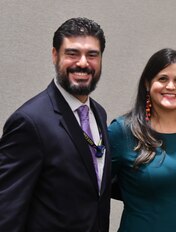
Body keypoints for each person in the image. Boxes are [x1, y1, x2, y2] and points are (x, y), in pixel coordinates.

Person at [0, 17, 110, 232]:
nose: (83, 63)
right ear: (54, 55)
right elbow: (7, 210)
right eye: (72, 53)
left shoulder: (99, 113)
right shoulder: (29, 121)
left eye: (92, 55)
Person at [108, 48, 176, 232]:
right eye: (162, 79)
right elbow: (97, 187)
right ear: (148, 83)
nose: (170, 86)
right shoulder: (123, 130)